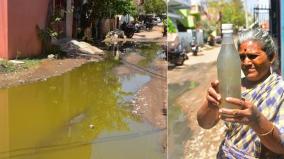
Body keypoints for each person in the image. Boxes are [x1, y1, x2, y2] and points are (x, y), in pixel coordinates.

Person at [197, 25, 284, 158]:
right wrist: (210, 104)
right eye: (241, 57)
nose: (246, 62)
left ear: (271, 57)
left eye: (253, 56)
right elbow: (205, 124)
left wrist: (256, 120)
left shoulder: (280, 90)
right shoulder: (233, 87)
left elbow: (281, 147)